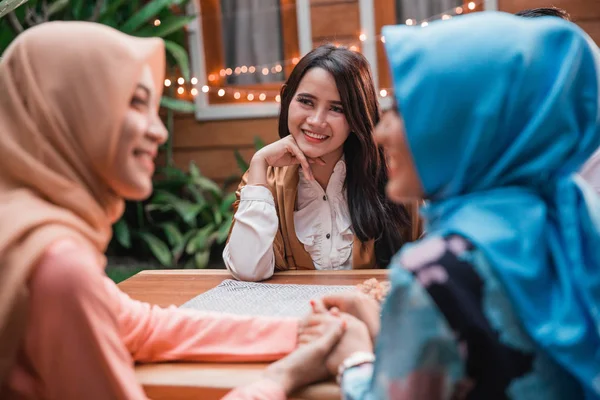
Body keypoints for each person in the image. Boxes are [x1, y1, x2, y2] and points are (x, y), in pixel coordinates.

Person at [235, 12, 600, 399]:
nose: (380, 131)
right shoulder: (575, 217)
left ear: (462, 125)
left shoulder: (436, 272)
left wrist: (351, 359)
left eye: (406, 111)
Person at [0, 21, 343, 399]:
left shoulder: (23, 235)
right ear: (65, 113)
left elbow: (145, 328)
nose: (159, 131)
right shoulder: (57, 267)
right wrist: (281, 380)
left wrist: (304, 332)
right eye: (133, 102)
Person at [223, 45, 422, 282]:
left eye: (336, 108)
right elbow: (246, 270)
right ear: (287, 99)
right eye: (306, 102)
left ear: (357, 116)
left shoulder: (396, 177)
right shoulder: (263, 181)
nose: (317, 121)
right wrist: (258, 162)